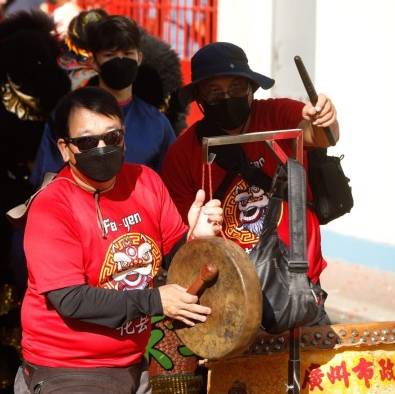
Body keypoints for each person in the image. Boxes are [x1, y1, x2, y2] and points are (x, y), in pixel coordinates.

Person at [14, 87, 222, 394]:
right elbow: (71, 300)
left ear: (124, 138)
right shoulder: (52, 206)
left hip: (133, 366)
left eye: (111, 137)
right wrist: (155, 300)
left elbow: (175, 255)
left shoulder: (145, 181)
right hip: (68, 370)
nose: (101, 148)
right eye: (87, 141)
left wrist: (196, 239)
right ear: (64, 149)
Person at [161, 41, 339, 294]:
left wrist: (325, 119)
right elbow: (180, 232)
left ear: (251, 89)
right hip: (230, 287)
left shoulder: (278, 114)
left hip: (296, 279)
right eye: (214, 92)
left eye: (236, 88)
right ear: (199, 97)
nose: (226, 98)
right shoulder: (182, 153)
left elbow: (318, 135)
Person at [30, 14, 175, 188]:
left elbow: (170, 184)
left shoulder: (157, 123)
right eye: (110, 54)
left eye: (128, 53)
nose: (120, 60)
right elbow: (46, 179)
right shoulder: (66, 114)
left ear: (139, 58)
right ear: (94, 62)